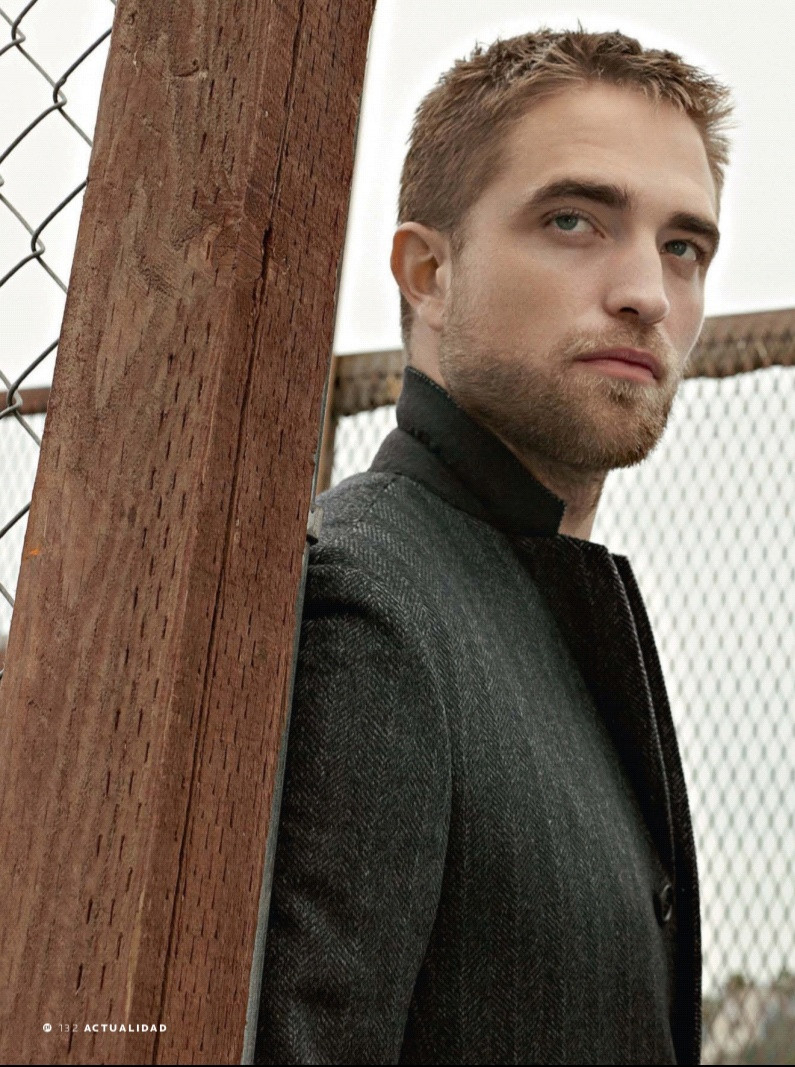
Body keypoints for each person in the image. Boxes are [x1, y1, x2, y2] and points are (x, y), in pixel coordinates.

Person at [254, 25, 736, 1065]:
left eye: (682, 247)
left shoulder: (538, 605)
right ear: (428, 271)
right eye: (573, 220)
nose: (648, 292)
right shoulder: (369, 605)